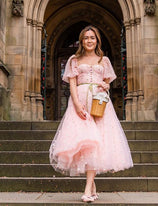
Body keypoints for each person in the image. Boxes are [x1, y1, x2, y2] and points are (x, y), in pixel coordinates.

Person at [49, 26, 133, 202]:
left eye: (92, 37)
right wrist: (77, 105)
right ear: (81, 41)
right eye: (86, 38)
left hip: (99, 103)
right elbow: (72, 83)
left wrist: (105, 86)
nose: (89, 40)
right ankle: (91, 187)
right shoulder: (74, 59)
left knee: (97, 142)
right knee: (86, 143)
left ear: (97, 40)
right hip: (80, 101)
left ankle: (88, 188)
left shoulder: (105, 60)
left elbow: (107, 81)